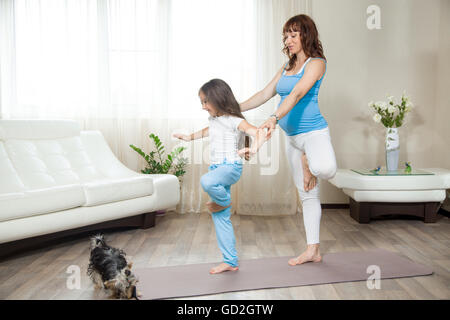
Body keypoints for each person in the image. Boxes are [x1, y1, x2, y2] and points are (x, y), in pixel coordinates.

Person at [239, 14, 337, 266]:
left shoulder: (316, 63)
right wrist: (234, 108)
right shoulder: (286, 66)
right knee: (307, 195)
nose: (288, 39)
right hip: (292, 139)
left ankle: (309, 161)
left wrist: (273, 117)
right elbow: (264, 93)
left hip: (314, 134)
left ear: (307, 35)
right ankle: (312, 250)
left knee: (325, 168)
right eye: (286, 34)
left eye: (294, 34)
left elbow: (296, 93)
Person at [174, 78, 266, 274]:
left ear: (218, 98)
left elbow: (257, 132)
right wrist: (189, 138)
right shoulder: (215, 120)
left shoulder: (235, 120)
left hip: (230, 167)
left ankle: (223, 202)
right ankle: (230, 260)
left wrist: (254, 148)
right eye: (201, 102)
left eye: (205, 102)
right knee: (221, 219)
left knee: (206, 182)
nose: (203, 107)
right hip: (217, 168)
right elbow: (210, 130)